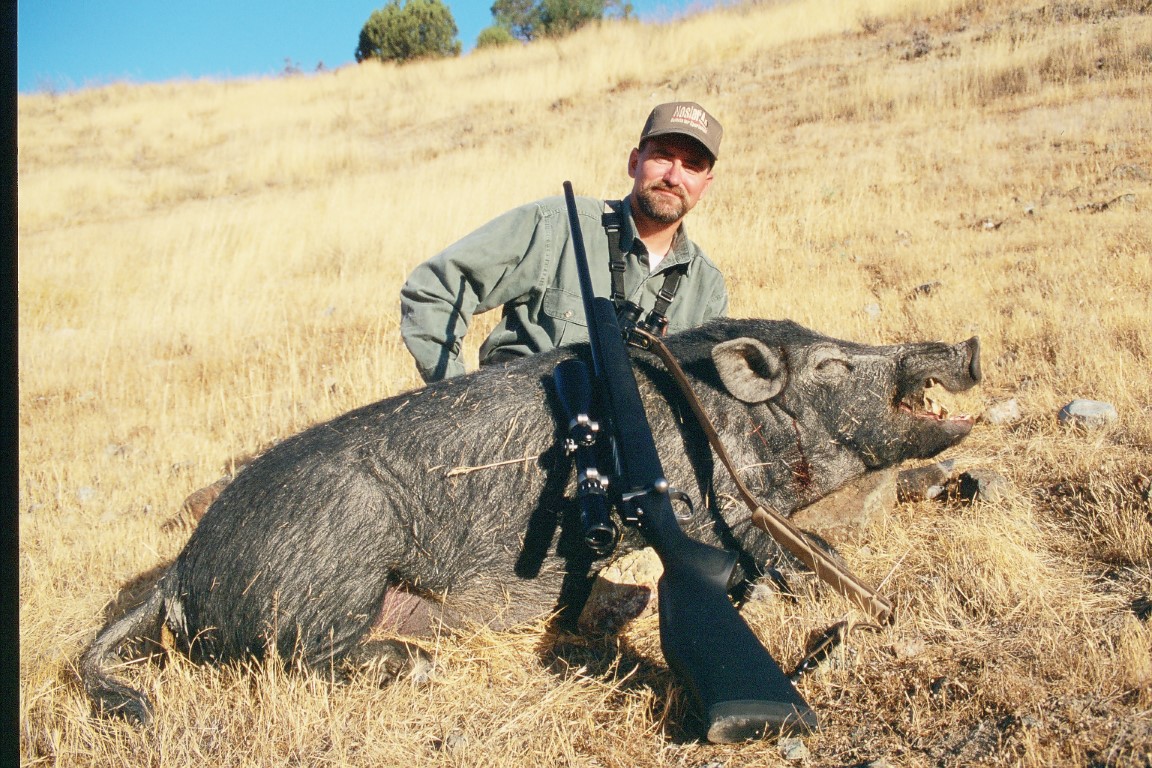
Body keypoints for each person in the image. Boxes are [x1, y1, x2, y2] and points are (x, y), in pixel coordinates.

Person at [400, 101, 729, 383]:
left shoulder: (707, 286)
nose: (673, 177)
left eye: (691, 166)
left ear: (706, 184)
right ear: (634, 162)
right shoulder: (557, 224)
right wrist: (458, 401)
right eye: (663, 157)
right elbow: (434, 288)